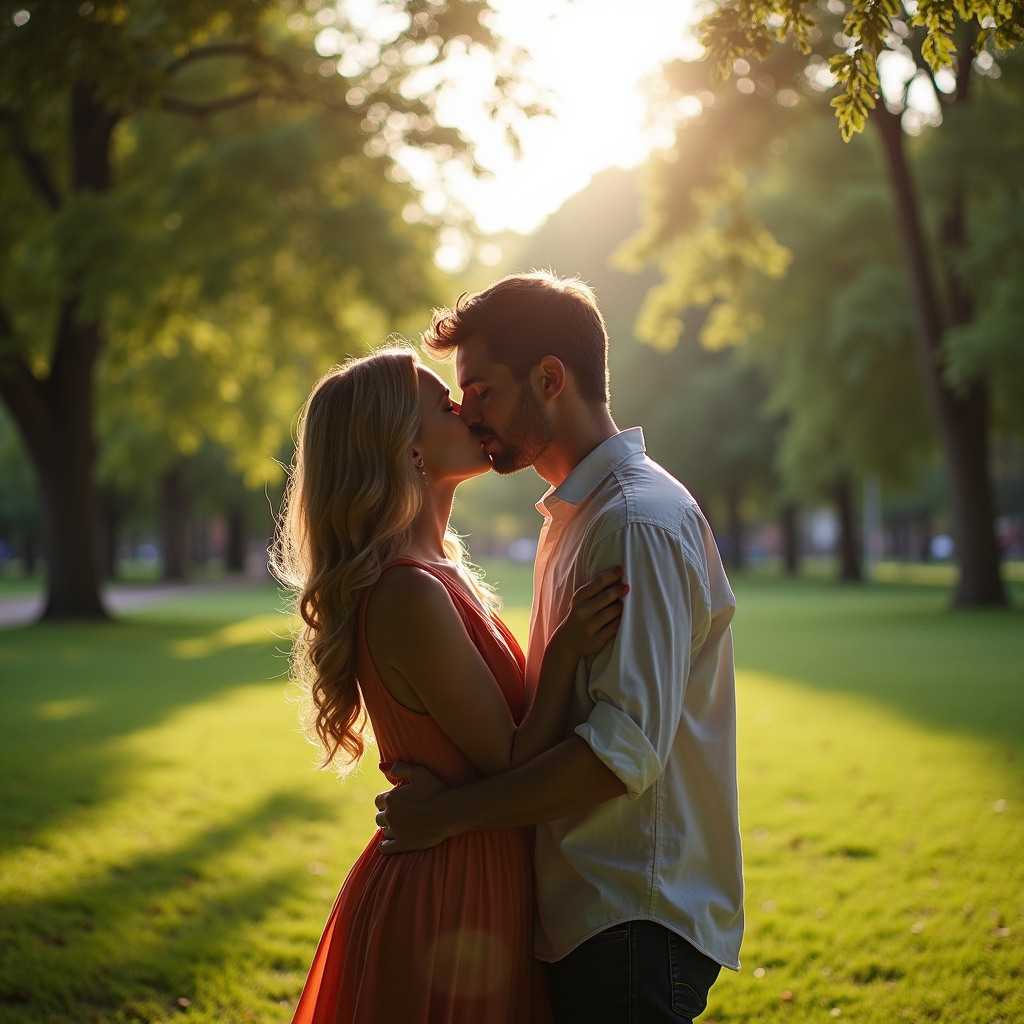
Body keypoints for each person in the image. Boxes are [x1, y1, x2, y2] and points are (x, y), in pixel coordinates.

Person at [374, 272, 744, 1024]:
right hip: (585, 916)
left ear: (549, 379)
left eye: (479, 391)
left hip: (628, 917)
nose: (467, 414)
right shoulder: (578, 517)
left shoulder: (635, 523)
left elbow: (620, 755)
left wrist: (449, 816)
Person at [271, 344, 627, 1024]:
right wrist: (567, 650)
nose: (466, 409)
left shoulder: (441, 572)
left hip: (479, 862)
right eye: (444, 404)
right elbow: (511, 757)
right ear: (408, 451)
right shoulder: (409, 593)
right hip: (450, 885)